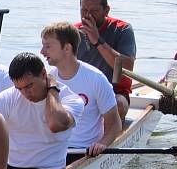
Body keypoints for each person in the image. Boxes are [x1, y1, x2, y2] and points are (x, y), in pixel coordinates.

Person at [0, 53, 84, 169]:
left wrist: (52, 89)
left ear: (43, 74)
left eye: (29, 86)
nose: (25, 94)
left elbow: (55, 124)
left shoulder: (70, 99)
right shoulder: (7, 97)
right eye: (19, 89)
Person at [41, 22, 122, 161]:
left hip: (85, 152)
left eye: (47, 46)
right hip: (55, 151)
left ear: (67, 48)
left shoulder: (96, 79)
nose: (42, 51)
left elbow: (115, 124)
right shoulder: (48, 78)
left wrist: (102, 144)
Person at [75, 0, 137, 119]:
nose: (88, 16)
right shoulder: (73, 32)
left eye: (94, 11)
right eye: (84, 10)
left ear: (106, 10)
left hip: (115, 91)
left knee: (118, 106)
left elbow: (127, 67)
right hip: (81, 91)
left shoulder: (122, 29)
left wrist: (97, 41)